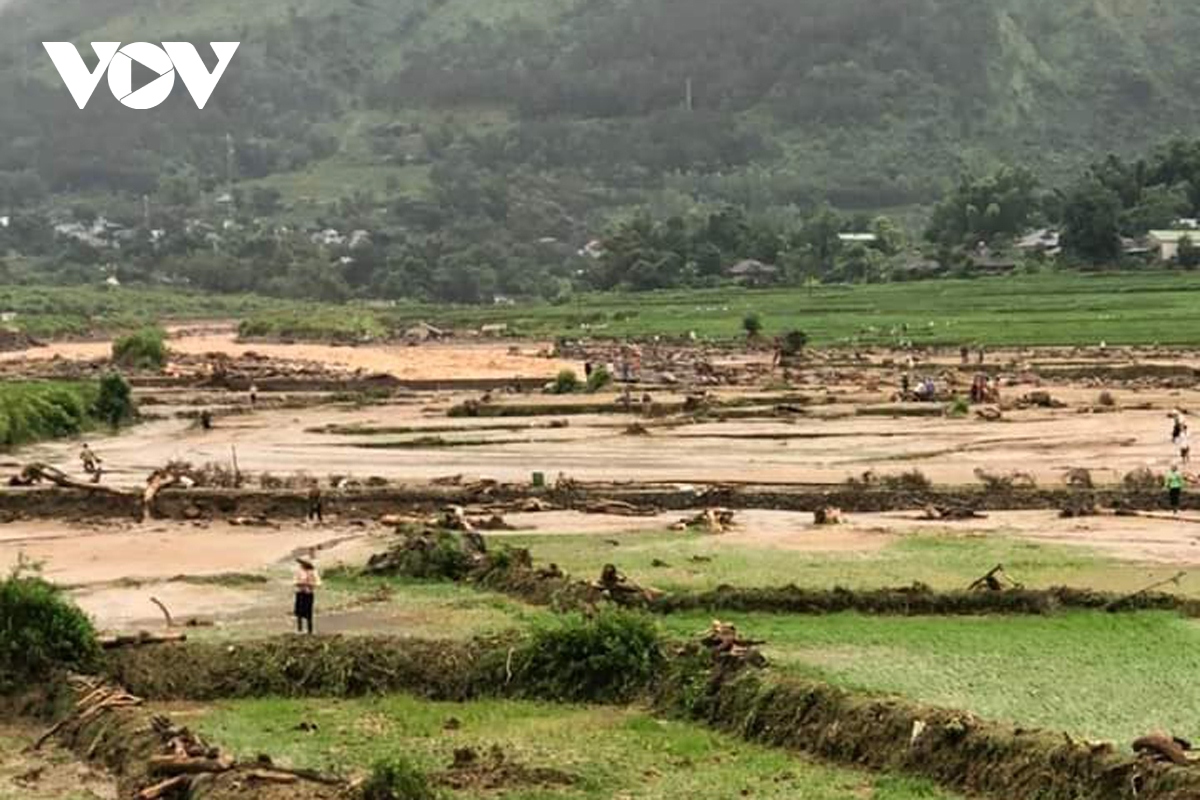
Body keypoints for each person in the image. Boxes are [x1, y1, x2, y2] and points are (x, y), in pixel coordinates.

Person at [293, 557, 321, 634]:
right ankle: (299, 630)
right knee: (299, 612)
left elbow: (319, 583)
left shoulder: (313, 571)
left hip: (309, 593)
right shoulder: (298, 571)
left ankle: (310, 631)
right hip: (300, 593)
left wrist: (310, 584)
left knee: (309, 612)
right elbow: (294, 581)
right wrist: (300, 583)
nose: (301, 565)